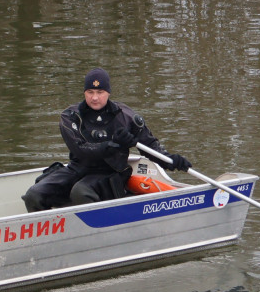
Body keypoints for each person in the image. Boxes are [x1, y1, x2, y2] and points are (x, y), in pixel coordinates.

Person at [22, 68, 193, 212]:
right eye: (90, 92)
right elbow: (79, 149)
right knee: (34, 195)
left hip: (110, 171)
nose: (95, 98)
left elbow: (149, 145)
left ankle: (94, 231)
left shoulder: (127, 117)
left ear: (108, 93)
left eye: (100, 92)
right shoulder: (71, 117)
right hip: (78, 167)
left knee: (81, 192)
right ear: (84, 93)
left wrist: (171, 160)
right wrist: (113, 145)